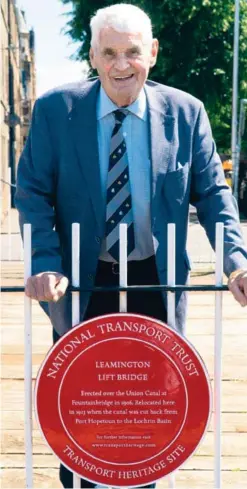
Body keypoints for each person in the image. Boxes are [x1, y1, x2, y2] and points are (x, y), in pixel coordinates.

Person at [15, 3, 247, 488]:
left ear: (153, 53)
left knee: (151, 409)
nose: (122, 65)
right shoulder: (57, 112)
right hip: (79, 279)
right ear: (94, 57)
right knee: (81, 402)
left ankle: (141, 482)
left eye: (133, 52)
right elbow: (33, 190)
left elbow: (213, 196)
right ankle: (80, 479)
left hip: (153, 279)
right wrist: (43, 262)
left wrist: (236, 262)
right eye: (110, 53)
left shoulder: (187, 113)